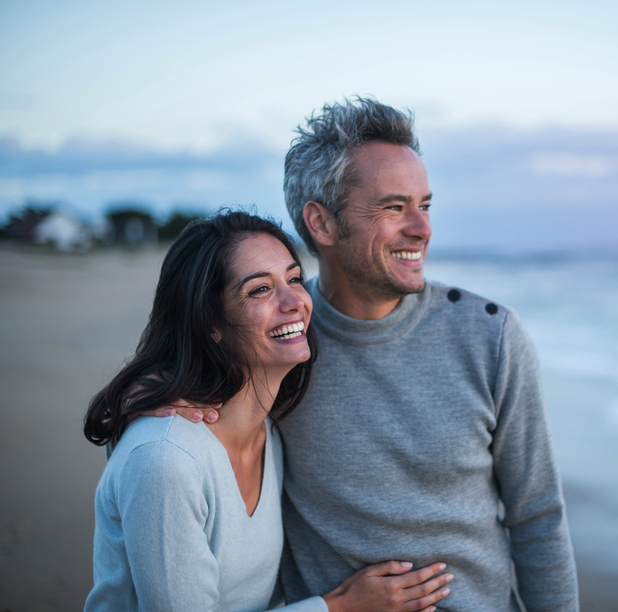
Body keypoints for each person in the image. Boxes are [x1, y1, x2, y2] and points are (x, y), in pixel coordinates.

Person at [169, 99, 579, 611]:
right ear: (322, 223)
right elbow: (185, 405)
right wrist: (155, 400)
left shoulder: (492, 336)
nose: (423, 228)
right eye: (393, 207)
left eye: (425, 205)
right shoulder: (277, 340)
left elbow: (537, 517)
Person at [83, 211, 453, 612]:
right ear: (210, 322)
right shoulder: (166, 462)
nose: (296, 301)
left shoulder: (270, 432)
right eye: (259, 290)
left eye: (294, 279)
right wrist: (339, 606)